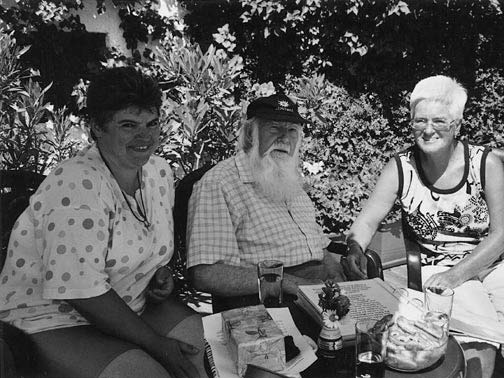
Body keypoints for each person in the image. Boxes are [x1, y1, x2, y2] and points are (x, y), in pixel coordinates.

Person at [344, 75, 504, 378]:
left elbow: (501, 235)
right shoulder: (401, 167)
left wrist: (456, 275)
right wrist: (354, 248)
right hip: (438, 267)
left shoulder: (485, 163)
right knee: (477, 336)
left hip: (495, 262)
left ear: (457, 125)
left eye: (439, 121)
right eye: (420, 121)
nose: (428, 129)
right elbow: (367, 220)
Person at [0, 67, 206, 378]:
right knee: (149, 375)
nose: (145, 137)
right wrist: (156, 344)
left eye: (152, 124)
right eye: (128, 125)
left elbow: (149, 248)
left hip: (133, 303)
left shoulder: (159, 173)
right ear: (97, 127)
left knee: (208, 352)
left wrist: (160, 274)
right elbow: (81, 291)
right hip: (54, 316)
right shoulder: (77, 183)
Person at [186, 93, 345, 310]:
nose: (285, 138)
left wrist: (338, 275)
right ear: (251, 134)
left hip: (321, 295)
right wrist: (289, 284)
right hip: (274, 302)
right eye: (274, 128)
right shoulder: (219, 183)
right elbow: (205, 274)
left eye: (292, 131)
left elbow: (318, 247)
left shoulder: (287, 179)